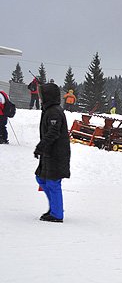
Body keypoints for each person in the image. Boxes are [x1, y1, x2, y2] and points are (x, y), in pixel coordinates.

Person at [34, 82, 71, 223]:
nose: (40, 97)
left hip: (57, 153)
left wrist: (41, 146)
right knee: (41, 179)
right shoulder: (49, 110)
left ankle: (56, 214)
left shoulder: (54, 111)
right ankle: (54, 208)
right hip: (49, 152)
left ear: (48, 96)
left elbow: (53, 133)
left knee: (53, 182)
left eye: (41, 94)